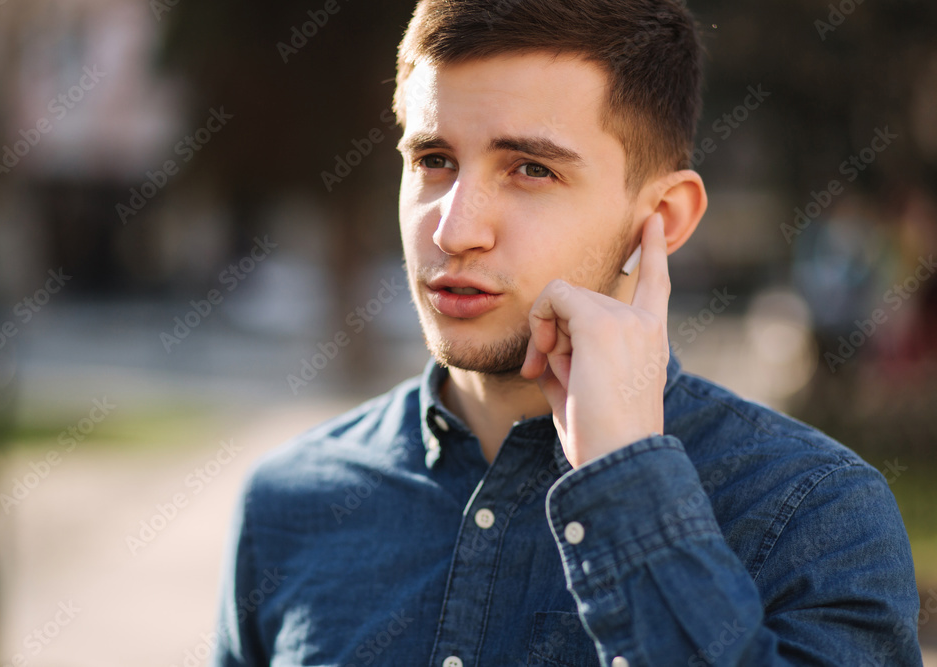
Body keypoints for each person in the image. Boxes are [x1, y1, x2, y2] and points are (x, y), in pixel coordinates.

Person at [211, 1, 922, 664]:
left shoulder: (814, 517)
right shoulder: (288, 502)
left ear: (664, 219)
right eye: (433, 160)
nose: (455, 230)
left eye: (530, 169)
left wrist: (632, 492)